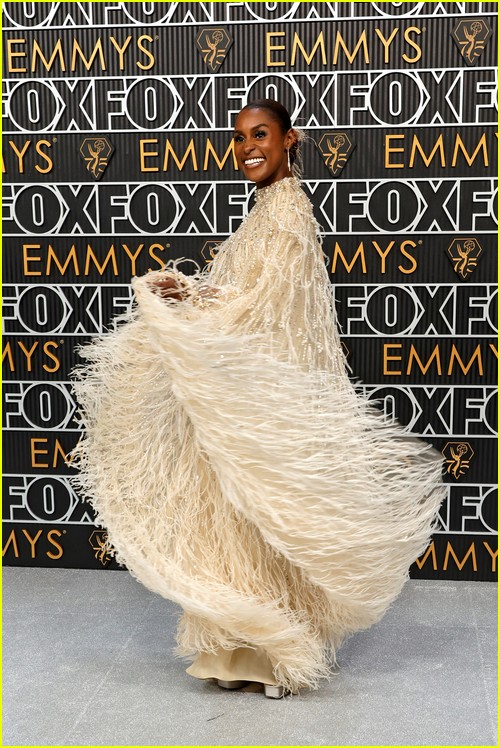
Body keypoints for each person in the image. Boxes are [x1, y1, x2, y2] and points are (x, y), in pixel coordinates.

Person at [71, 99, 445, 698]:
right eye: (241, 137)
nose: (249, 147)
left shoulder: (288, 212)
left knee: (268, 519)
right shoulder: (267, 207)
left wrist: (194, 302)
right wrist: (190, 291)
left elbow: (268, 304)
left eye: (261, 134)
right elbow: (245, 291)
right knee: (245, 521)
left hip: (273, 388)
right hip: (263, 387)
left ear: (289, 139)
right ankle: (244, 653)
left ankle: (277, 657)